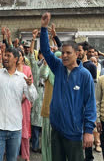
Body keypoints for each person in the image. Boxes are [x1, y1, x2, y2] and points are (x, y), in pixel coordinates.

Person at [40, 12, 96, 161]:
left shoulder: (85, 75)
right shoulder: (58, 67)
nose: (64, 56)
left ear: (77, 54)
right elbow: (45, 51)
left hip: (75, 133)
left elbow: (90, 104)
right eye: (62, 53)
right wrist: (44, 28)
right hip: (57, 130)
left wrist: (89, 131)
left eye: (68, 53)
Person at [0, 47, 37, 161]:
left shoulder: (22, 78)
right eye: (5, 55)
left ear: (16, 59)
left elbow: (32, 97)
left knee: (12, 159)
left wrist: (30, 85)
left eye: (8, 56)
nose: (5, 58)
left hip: (15, 128)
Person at [28, 30, 44, 154]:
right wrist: (33, 39)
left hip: (45, 97)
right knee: (34, 124)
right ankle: (34, 145)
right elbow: (30, 54)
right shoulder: (34, 66)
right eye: (41, 54)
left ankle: (43, 147)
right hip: (35, 96)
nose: (43, 57)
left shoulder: (49, 66)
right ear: (38, 55)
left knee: (44, 124)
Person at [17, 48, 33, 161]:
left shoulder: (27, 69)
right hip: (13, 102)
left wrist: (23, 96)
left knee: (25, 129)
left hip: (25, 102)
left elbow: (30, 85)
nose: (18, 58)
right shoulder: (10, 70)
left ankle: (26, 156)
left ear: (23, 57)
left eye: (20, 55)